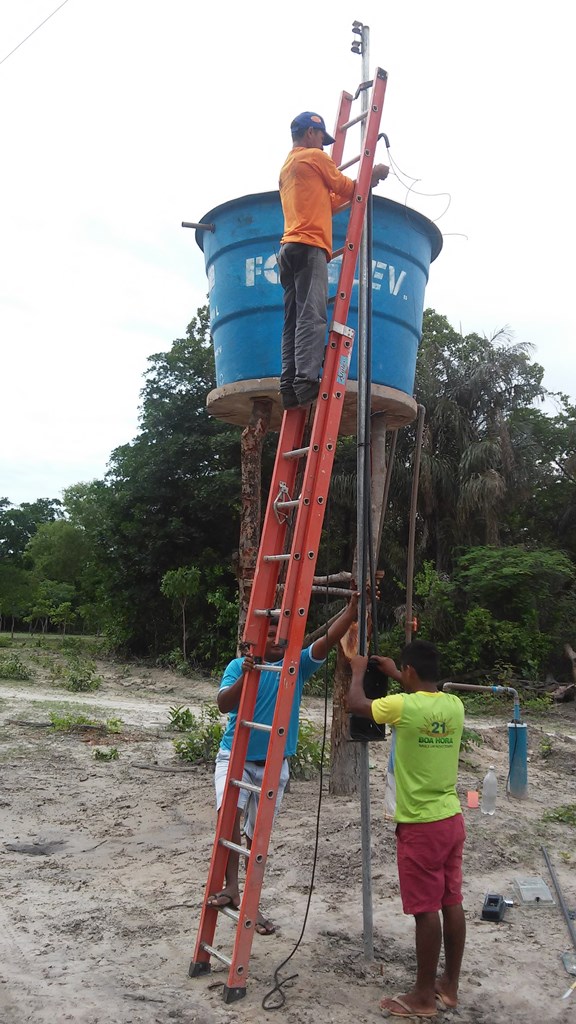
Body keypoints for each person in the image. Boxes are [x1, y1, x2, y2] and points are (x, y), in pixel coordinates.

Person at [207, 591, 359, 934]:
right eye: (270, 629)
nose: (277, 635)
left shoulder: (296, 665)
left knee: (257, 838)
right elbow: (223, 704)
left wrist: (350, 613)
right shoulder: (239, 666)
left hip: (274, 763)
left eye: (281, 629)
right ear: (258, 635)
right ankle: (232, 886)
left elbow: (327, 639)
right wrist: (247, 675)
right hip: (236, 755)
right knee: (228, 814)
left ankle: (252, 903)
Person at [347, 641, 466, 1018]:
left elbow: (357, 705)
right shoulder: (454, 706)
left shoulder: (402, 707)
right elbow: (420, 690)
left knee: (425, 910)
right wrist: (398, 671)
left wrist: (358, 669)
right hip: (451, 818)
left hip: (420, 825)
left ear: (410, 674)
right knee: (451, 901)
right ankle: (448, 986)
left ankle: (421, 997)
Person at [278, 110, 389, 410]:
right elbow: (348, 188)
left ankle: (288, 386)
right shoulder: (314, 158)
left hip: (288, 249)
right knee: (312, 316)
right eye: (321, 138)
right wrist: (373, 176)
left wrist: (360, 189)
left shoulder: (289, 166)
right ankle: (305, 382)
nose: (324, 146)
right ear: (310, 133)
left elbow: (330, 202)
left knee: (292, 321)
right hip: (309, 245)